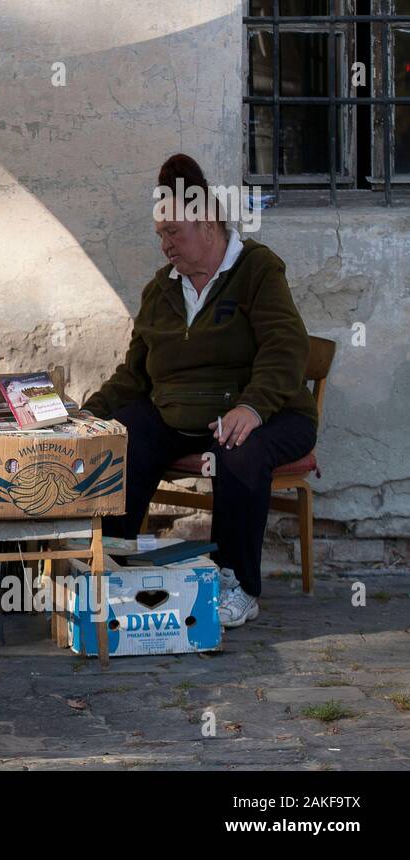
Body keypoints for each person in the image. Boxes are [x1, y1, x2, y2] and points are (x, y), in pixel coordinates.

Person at [81, 154, 318, 628]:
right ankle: (112, 565)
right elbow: (135, 375)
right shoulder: (160, 290)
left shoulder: (256, 270)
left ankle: (237, 584)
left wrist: (252, 405)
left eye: (174, 232)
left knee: (239, 447)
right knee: (124, 432)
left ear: (207, 223)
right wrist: (85, 417)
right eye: (161, 235)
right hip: (180, 416)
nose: (165, 244)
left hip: (269, 412)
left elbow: (285, 347)